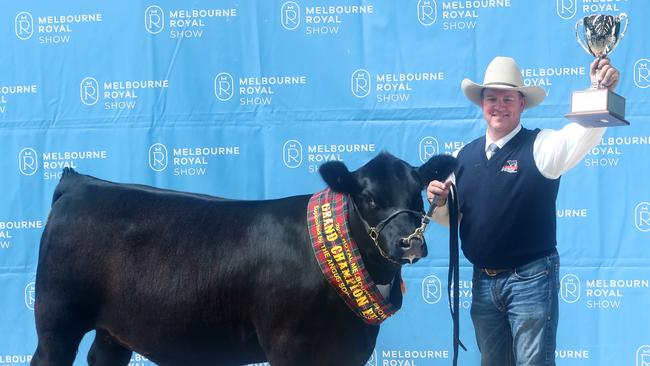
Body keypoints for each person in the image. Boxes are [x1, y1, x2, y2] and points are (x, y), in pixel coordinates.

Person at [427, 56, 619, 365]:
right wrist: (436, 201)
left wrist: (599, 88)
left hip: (532, 279)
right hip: (483, 283)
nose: (498, 105)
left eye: (507, 99)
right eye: (492, 98)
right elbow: (451, 219)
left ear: (521, 104)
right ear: (481, 103)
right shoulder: (461, 157)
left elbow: (582, 133)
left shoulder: (542, 146)